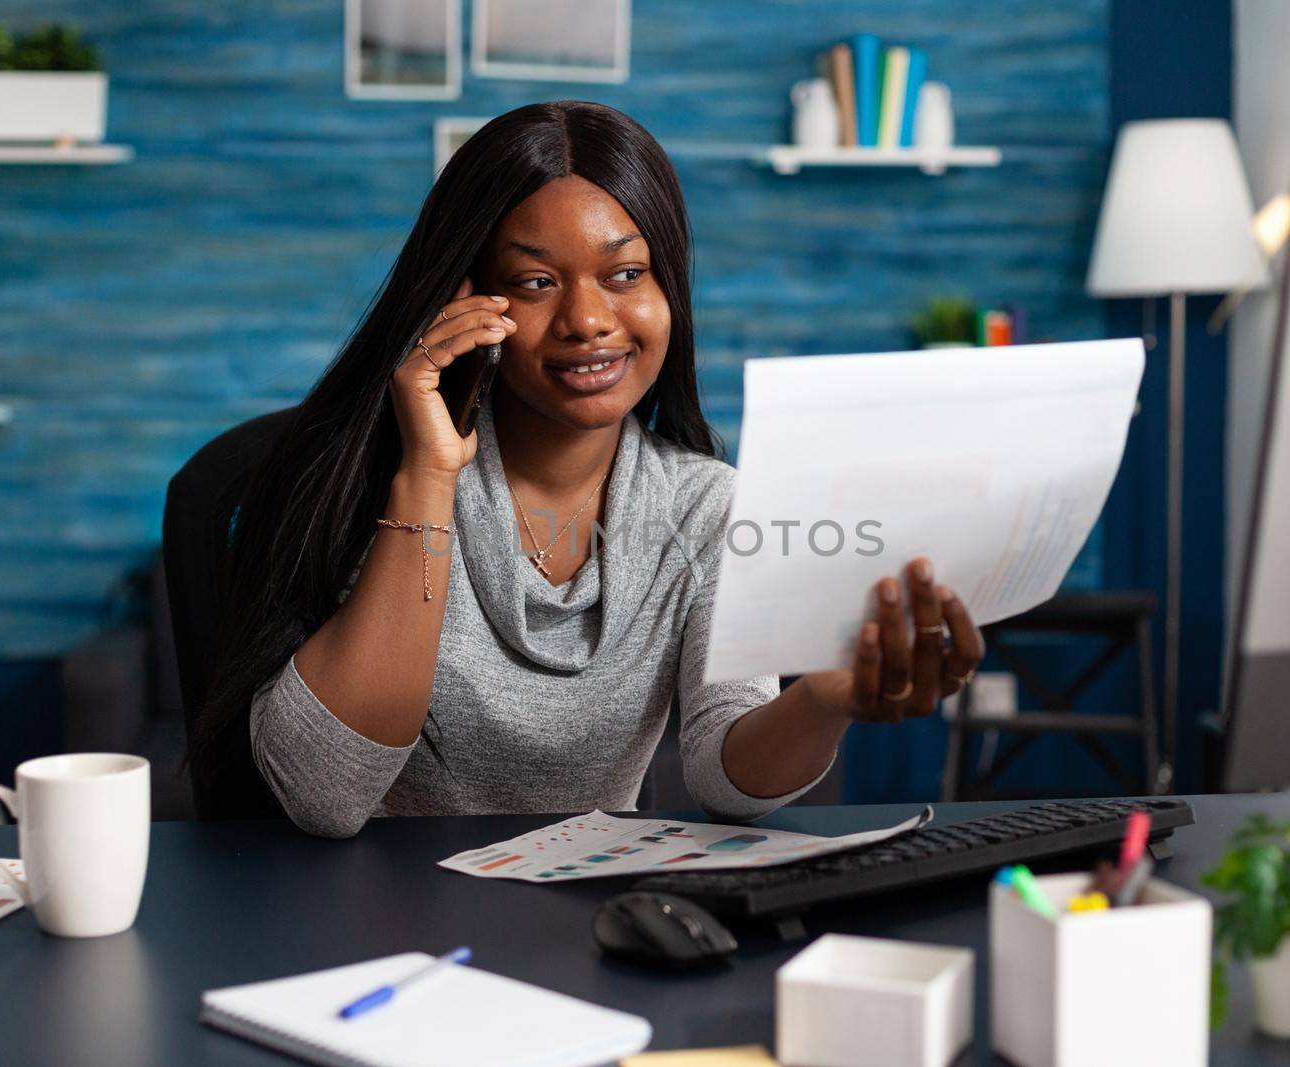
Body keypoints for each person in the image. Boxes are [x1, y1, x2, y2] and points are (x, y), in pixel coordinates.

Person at [191, 100, 984, 838]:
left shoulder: (705, 505)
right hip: (371, 932)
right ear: (467, 298)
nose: (589, 320)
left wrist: (825, 699)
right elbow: (324, 795)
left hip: (586, 926)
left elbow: (723, 770)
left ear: (668, 288)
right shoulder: (369, 480)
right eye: (536, 282)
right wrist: (428, 475)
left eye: (625, 274)